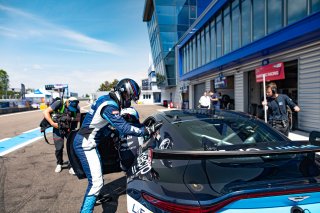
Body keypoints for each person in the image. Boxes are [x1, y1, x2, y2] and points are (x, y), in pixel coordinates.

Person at [73, 78, 159, 213]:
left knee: (96, 177)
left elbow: (93, 124)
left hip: (85, 137)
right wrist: (146, 130)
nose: (129, 101)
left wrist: (109, 133)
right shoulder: (110, 105)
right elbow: (124, 128)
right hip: (86, 143)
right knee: (96, 183)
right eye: (129, 97)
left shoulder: (105, 99)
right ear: (124, 93)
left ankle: (94, 195)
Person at [43, 96, 80, 174]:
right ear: (67, 102)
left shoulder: (77, 107)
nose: (71, 110)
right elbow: (45, 112)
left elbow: (78, 118)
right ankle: (59, 163)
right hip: (57, 128)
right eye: (70, 108)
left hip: (69, 128)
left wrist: (72, 119)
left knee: (71, 147)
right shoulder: (59, 103)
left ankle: (71, 165)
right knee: (59, 148)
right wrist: (53, 123)